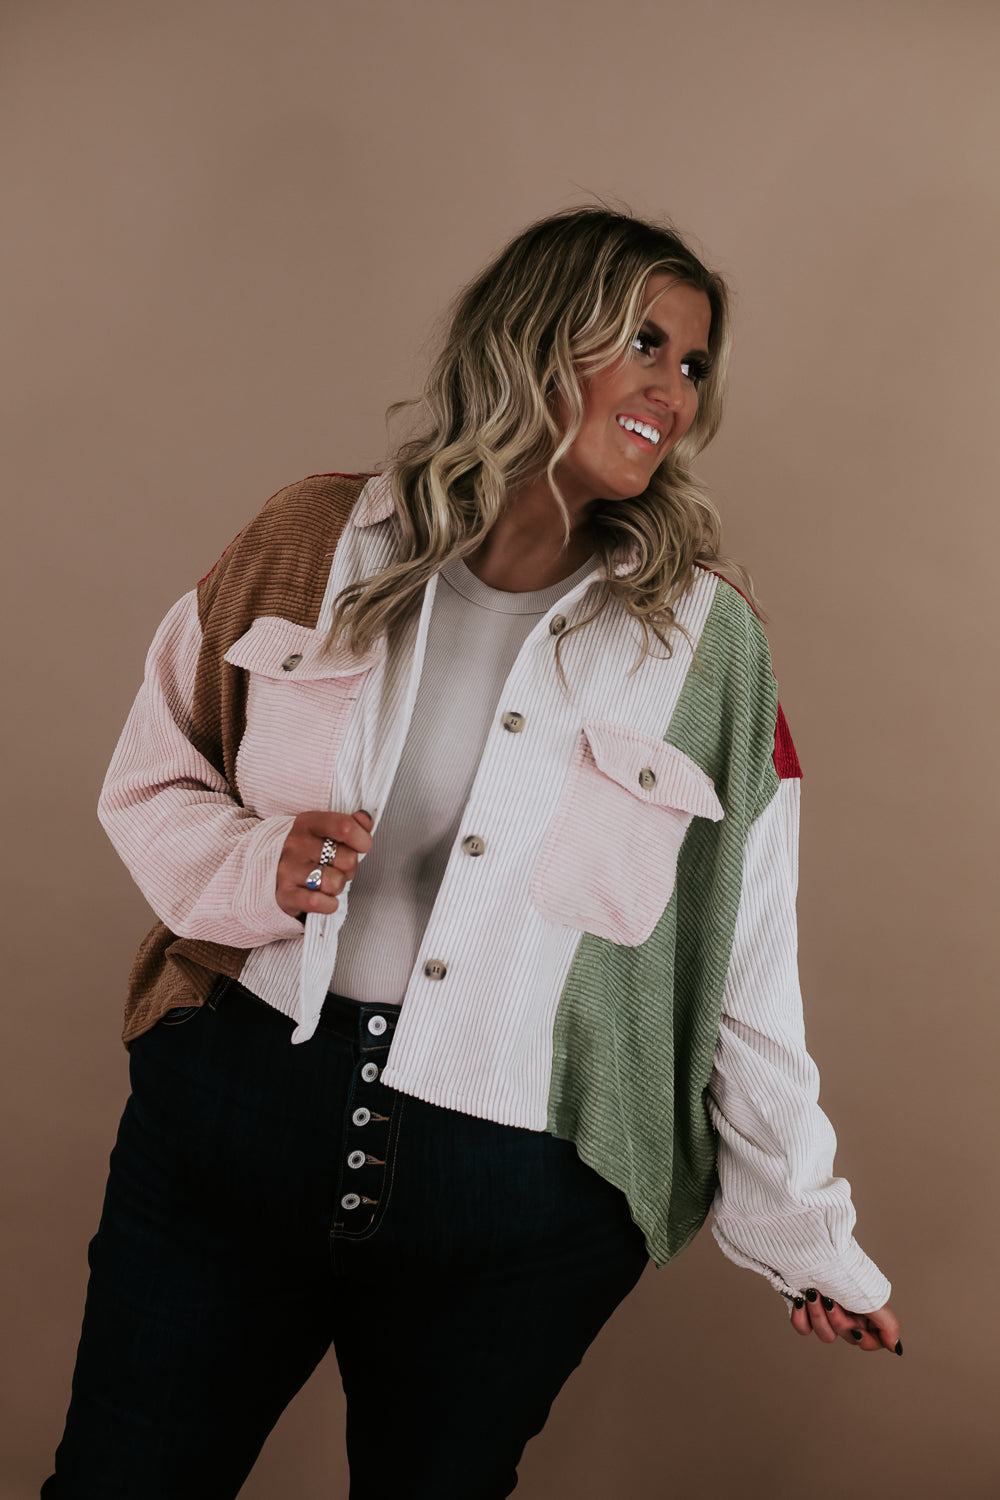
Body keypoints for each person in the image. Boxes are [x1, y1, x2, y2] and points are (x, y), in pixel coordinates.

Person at [44, 208, 900, 1500]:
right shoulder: (311, 540)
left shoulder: (710, 651)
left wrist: (809, 1240)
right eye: (644, 344)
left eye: (692, 365)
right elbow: (151, 772)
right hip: (227, 1132)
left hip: (512, 1212)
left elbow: (743, 979)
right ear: (539, 337)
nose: (673, 390)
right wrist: (254, 866)